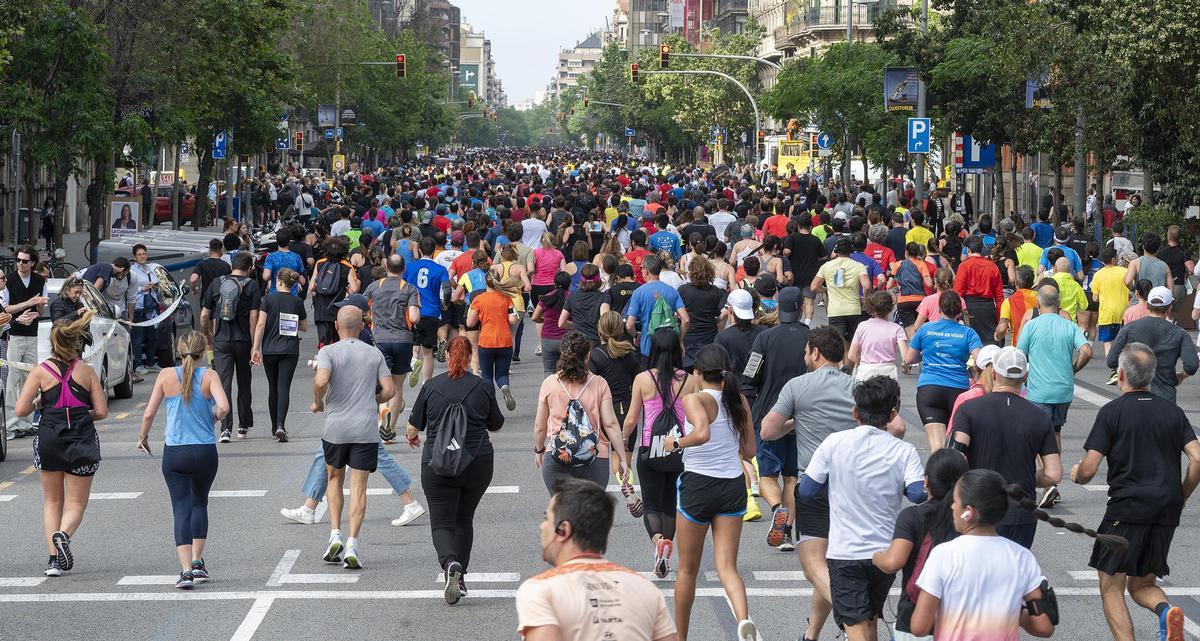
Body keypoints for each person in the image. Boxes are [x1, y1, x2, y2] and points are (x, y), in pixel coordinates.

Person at [1071, 343, 1198, 641]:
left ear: (1123, 374)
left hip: (1127, 509)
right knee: (1141, 584)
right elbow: (1198, 457)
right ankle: (1167, 612)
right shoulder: (1173, 412)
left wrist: (1077, 473)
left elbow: (1088, 469)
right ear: (1151, 376)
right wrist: (1183, 495)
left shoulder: (1113, 412)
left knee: (1111, 586)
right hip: (1165, 509)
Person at [797, 376, 926, 641]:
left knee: (855, 626)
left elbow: (807, 490)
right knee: (869, 620)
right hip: (885, 553)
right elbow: (917, 494)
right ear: (892, 414)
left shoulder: (834, 443)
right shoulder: (905, 451)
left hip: (846, 552)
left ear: (855, 411)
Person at [759, 326, 859, 641]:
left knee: (813, 565)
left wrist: (795, 421)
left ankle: (849, 612)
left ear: (815, 353)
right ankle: (811, 633)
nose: (805, 356)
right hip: (853, 485)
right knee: (834, 565)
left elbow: (767, 431)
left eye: (806, 351)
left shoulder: (797, 386)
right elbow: (894, 426)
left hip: (814, 484)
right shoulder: (857, 386)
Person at [662, 344, 758, 641]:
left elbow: (702, 432)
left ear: (699, 373)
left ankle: (681, 637)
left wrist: (675, 445)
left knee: (687, 570)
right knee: (728, 566)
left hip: (698, 486)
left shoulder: (694, 399)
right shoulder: (738, 400)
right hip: (732, 485)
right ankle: (743, 620)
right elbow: (750, 450)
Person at [909, 470, 1074, 640]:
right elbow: (1044, 627)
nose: (951, 506)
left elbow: (919, 626)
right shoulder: (1021, 557)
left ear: (968, 512)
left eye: (955, 501)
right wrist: (1013, 613)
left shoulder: (943, 555)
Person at [516, 477, 677, 641]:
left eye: (546, 519)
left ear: (563, 530)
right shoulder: (645, 589)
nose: (541, 526)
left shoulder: (541, 591)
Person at [406, 336, 504, 604]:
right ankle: (460, 578)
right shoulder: (482, 387)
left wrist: (412, 437)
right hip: (477, 462)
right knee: (464, 519)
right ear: (471, 355)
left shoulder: (432, 386)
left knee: (441, 522)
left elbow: (414, 427)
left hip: (437, 464)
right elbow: (496, 424)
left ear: (447, 356)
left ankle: (450, 563)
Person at [16, 312, 108, 577]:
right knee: (76, 503)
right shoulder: (87, 371)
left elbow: (21, 410)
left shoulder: (40, 372)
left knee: (51, 501)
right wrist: (79, 413)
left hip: (49, 438)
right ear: (76, 341)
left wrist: (39, 404)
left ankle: (53, 560)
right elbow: (101, 412)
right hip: (81, 438)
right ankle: (63, 535)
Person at [136, 331, 230, 589]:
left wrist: (143, 437)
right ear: (202, 352)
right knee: (199, 503)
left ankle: (186, 571)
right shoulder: (209, 376)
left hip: (175, 451)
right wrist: (212, 417)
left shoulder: (166, 376)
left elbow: (148, 414)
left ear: (179, 351)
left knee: (180, 508)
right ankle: (198, 562)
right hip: (204, 451)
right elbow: (223, 407)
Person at [949, 347, 1062, 548]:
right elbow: (1053, 474)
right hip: (1021, 511)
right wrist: (1030, 477)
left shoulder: (969, 409)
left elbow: (953, 456)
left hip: (978, 507)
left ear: (993, 374)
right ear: (1025, 376)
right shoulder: (1040, 417)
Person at [311, 306, 395, 570]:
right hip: (364, 428)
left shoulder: (328, 352)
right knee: (359, 487)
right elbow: (390, 390)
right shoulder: (374, 353)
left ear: (337, 325)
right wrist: (372, 398)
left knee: (334, 479)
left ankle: (334, 533)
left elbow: (322, 380)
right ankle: (352, 544)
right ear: (361, 326)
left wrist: (317, 401)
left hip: (336, 428)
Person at [622, 328, 697, 578]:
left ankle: (658, 544)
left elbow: (632, 418)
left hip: (649, 450)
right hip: (679, 450)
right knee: (669, 505)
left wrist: (623, 442)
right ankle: (666, 544)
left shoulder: (643, 379)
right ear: (678, 349)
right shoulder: (690, 380)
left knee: (651, 504)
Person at [871, 449, 968, 641]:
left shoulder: (912, 516)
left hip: (915, 618)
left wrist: (877, 556)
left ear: (926, 482)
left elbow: (893, 562)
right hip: (961, 620)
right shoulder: (970, 518)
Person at [745, 287, 810, 551]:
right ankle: (786, 533)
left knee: (769, 474)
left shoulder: (764, 338)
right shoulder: (811, 338)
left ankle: (776, 511)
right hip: (803, 417)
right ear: (800, 307)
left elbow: (750, 377)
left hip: (769, 414)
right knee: (792, 477)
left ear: (778, 308)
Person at [1016, 285, 1092, 506]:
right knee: (1055, 432)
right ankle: (1051, 482)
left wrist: (1024, 377)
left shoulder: (1031, 326)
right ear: (1059, 304)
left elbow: (1020, 356)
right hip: (1064, 390)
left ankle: (1049, 483)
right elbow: (1086, 350)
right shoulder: (1069, 326)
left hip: (1039, 390)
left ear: (1037, 305)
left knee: (1038, 434)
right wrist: (1074, 368)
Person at [534, 331, 630, 491]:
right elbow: (611, 424)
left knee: (563, 513)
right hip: (595, 457)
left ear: (562, 354)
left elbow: (540, 426)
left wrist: (539, 450)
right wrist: (622, 459)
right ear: (588, 355)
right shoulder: (599, 383)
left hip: (558, 457)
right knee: (591, 513)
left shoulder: (549, 384)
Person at [907, 291, 983, 450]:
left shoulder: (926, 328)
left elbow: (909, 359)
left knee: (937, 446)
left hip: (930, 389)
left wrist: (927, 355)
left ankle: (937, 474)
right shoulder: (969, 333)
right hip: (958, 390)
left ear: (939, 308)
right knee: (957, 445)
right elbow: (980, 360)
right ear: (960, 311)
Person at [199, 252, 261, 442]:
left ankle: (226, 429)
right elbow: (253, 318)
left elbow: (204, 315)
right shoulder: (252, 285)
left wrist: (207, 334)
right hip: (243, 342)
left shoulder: (217, 283)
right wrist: (254, 345)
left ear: (231, 265)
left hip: (221, 342)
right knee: (244, 383)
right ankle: (243, 425)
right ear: (249, 268)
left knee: (223, 383)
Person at [1107, 286, 1197, 404]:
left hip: (1134, 395)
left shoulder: (1129, 328)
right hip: (1165, 397)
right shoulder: (1179, 333)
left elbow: (1111, 360)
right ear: (1169, 308)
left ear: (1148, 306)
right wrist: (1181, 376)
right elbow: (1192, 365)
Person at [363, 254, 421, 438]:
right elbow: (414, 317)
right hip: (403, 340)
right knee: (397, 386)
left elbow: (361, 308)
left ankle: (383, 416)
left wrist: (373, 318)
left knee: (383, 385)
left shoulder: (374, 286)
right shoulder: (409, 289)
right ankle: (391, 428)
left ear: (386, 267)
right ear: (404, 269)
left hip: (380, 340)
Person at [250, 268, 307, 442]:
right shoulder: (297, 301)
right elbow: (304, 327)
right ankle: (281, 425)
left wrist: (255, 347)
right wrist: (291, 322)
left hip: (270, 349)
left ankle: (274, 426)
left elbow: (260, 324)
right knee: (284, 387)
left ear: (279, 282)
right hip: (290, 349)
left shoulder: (267, 299)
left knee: (272, 387)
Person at [5, 245, 49, 437]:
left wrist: (38, 307)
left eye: (24, 261)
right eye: (18, 260)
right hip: (13, 333)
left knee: (29, 379)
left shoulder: (40, 280)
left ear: (33, 263)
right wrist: (27, 304)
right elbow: (5, 310)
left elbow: (41, 311)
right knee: (12, 379)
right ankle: (11, 423)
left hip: (32, 333)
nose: (20, 264)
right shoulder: (9, 280)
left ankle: (26, 422)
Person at [588, 311, 640, 450]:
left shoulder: (596, 355)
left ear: (600, 331)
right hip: (628, 410)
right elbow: (638, 383)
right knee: (625, 461)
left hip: (603, 411)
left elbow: (590, 387)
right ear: (621, 330)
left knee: (613, 458)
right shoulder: (630, 353)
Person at [467, 270, 518, 410]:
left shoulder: (479, 299)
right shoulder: (506, 298)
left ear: (485, 282)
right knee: (502, 374)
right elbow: (513, 320)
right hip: (505, 341)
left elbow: (470, 323)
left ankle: (490, 404)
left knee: (487, 376)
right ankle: (504, 386)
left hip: (486, 341)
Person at [625, 255, 689, 359]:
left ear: (646, 271)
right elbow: (686, 319)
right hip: (669, 347)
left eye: (642, 268)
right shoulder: (672, 291)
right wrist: (680, 341)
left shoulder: (638, 293)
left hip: (648, 347)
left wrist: (636, 336)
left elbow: (629, 325)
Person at [406, 237, 449, 385]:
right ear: (434, 250)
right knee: (428, 351)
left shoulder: (410, 267)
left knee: (414, 342)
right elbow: (447, 289)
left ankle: (413, 361)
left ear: (419, 250)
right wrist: (446, 303)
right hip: (431, 311)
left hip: (412, 310)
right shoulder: (440, 269)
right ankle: (426, 383)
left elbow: (403, 285)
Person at [810, 238, 870, 341]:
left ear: (836, 250)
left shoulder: (826, 266)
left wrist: (825, 290)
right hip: (854, 310)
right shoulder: (859, 266)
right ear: (851, 250)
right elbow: (867, 286)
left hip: (835, 311)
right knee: (852, 345)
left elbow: (813, 287)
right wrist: (864, 298)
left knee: (837, 345)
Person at [847, 291, 910, 380]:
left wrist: (862, 362)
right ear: (891, 307)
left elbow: (851, 355)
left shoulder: (862, 326)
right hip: (888, 373)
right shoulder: (897, 329)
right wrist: (905, 367)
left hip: (866, 372)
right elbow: (905, 357)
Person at [677, 256, 726, 368]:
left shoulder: (683, 290)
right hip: (709, 336)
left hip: (687, 337)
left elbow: (677, 315)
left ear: (691, 271)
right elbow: (722, 314)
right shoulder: (716, 292)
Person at [954, 236, 1004, 346]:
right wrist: (1001, 318)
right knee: (991, 343)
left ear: (968, 249)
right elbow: (999, 296)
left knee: (971, 343)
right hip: (989, 308)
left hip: (969, 309)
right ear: (981, 249)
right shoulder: (992, 266)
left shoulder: (964, 266)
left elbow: (957, 294)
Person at [310, 236, 358, 347]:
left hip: (321, 309)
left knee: (324, 342)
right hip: (338, 309)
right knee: (338, 342)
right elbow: (354, 289)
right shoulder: (347, 267)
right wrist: (347, 291)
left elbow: (312, 286)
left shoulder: (320, 263)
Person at [1090, 248, 1130, 383]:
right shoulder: (1124, 272)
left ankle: (1114, 371)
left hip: (1106, 313)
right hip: (1123, 312)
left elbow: (1095, 298)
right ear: (1114, 259)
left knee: (1108, 342)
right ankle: (1124, 369)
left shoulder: (1098, 275)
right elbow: (1131, 289)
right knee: (1123, 341)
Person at [129, 244, 163, 376]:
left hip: (151, 307)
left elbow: (157, 288)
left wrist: (155, 288)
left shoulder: (150, 269)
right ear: (134, 257)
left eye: (144, 254)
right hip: (138, 307)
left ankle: (150, 362)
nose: (142, 256)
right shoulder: (132, 271)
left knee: (153, 336)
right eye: (139, 254)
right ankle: (138, 365)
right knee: (138, 338)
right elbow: (129, 289)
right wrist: (142, 289)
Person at [532, 271, 572, 375]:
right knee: (568, 370)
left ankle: (548, 391)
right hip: (567, 338)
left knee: (548, 370)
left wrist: (545, 321)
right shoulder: (572, 298)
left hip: (548, 338)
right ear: (569, 284)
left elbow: (534, 317)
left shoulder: (546, 298)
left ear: (554, 283)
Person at [560, 264, 606, 347]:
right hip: (595, 342)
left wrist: (577, 325)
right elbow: (605, 321)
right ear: (598, 279)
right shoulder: (604, 297)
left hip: (578, 342)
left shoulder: (572, 296)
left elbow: (561, 323)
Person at [995, 265, 1037, 346]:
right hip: (1037, 346)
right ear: (1032, 283)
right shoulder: (1040, 298)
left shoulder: (1008, 301)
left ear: (1016, 282)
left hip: (1018, 347)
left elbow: (1002, 328)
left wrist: (997, 335)